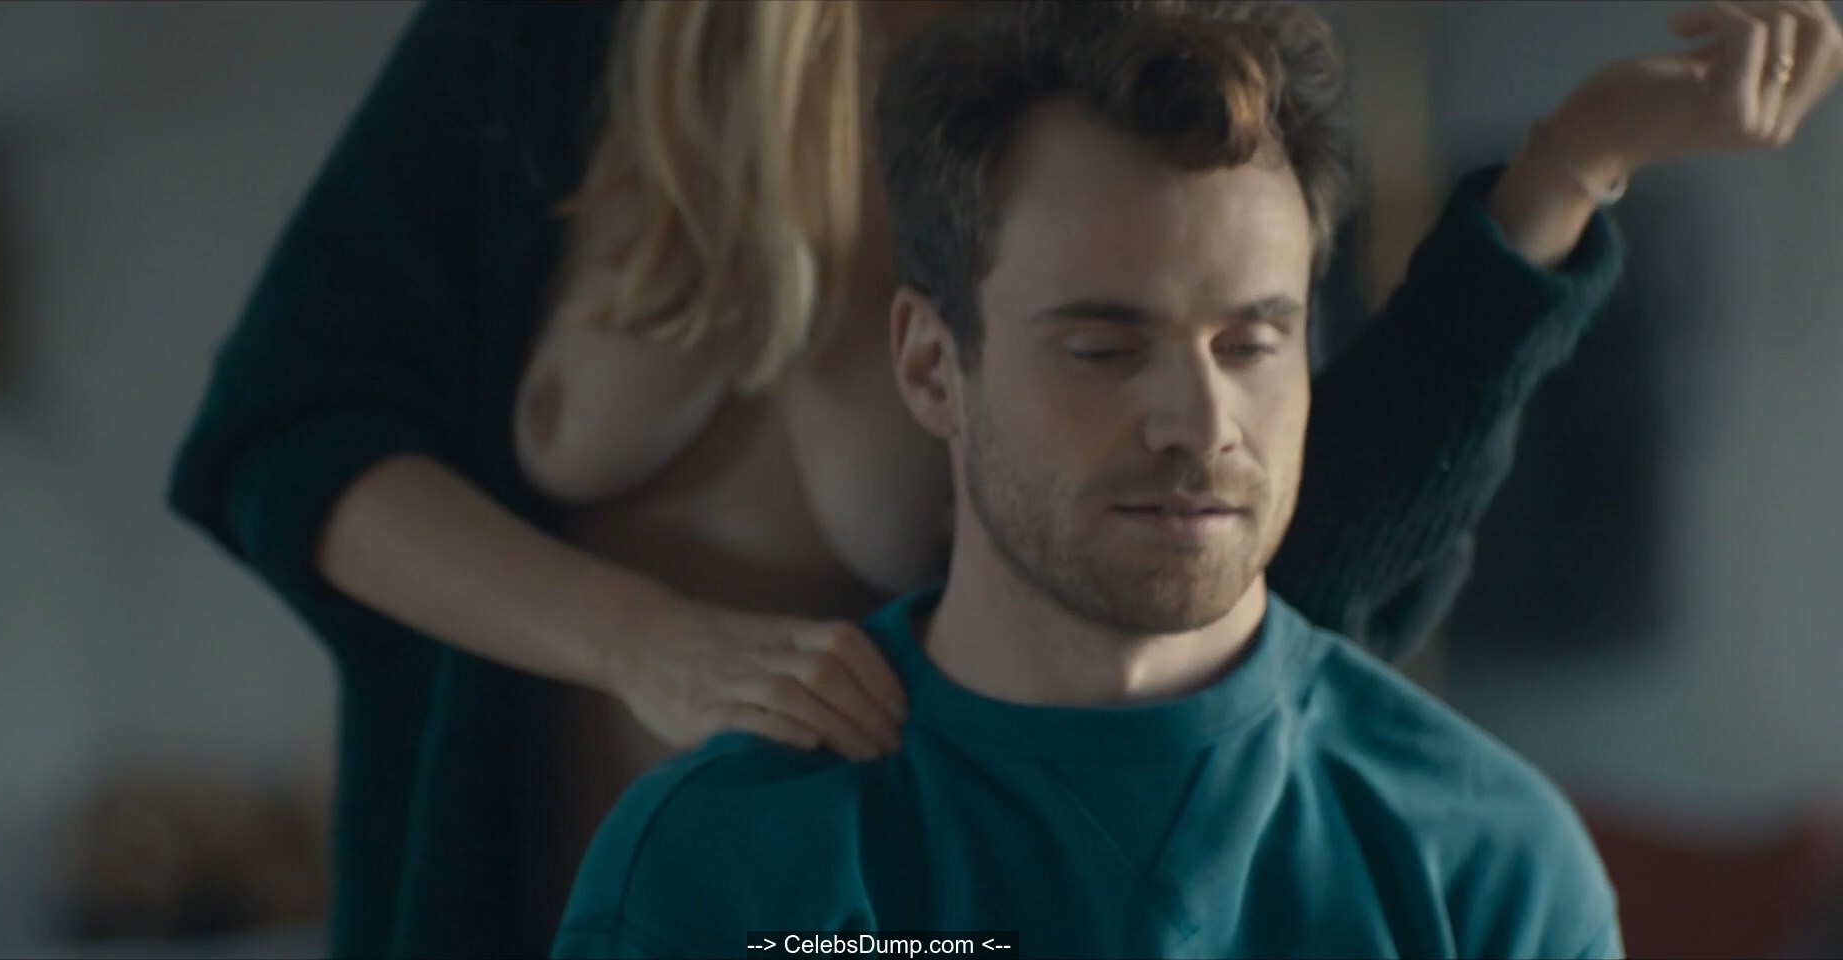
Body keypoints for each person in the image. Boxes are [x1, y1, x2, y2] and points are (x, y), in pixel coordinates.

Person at [164, 0, 1841, 955]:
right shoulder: (563, 39)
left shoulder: (1095, 72)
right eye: (1101, 343)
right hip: (548, 892)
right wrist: (639, 643)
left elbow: (1251, 553)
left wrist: (1570, 171)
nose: (1188, 395)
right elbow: (291, 433)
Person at [553, 3, 1619, 955]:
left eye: (1251, 345)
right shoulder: (730, 866)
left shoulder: (1487, 868)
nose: (1203, 425)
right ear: (931, 367)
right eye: (1106, 349)